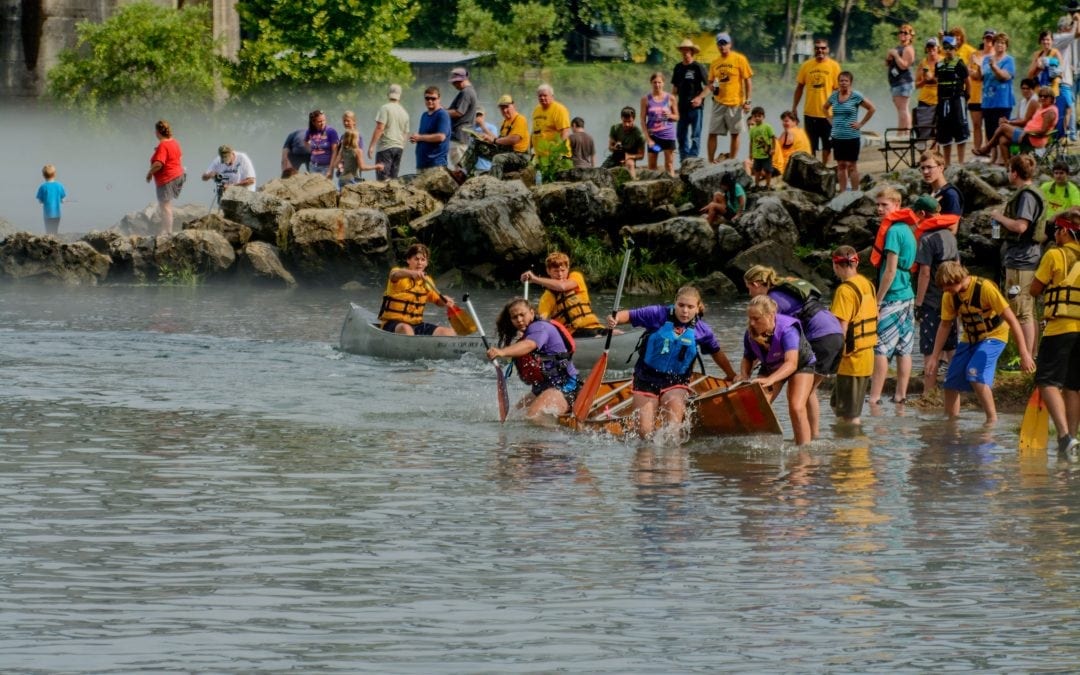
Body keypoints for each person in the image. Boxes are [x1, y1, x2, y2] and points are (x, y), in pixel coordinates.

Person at [607, 285, 738, 439]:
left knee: (672, 433)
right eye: (681, 305)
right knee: (644, 433)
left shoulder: (702, 330)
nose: (685, 311)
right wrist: (614, 319)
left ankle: (673, 460)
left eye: (690, 307)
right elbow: (629, 315)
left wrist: (732, 375)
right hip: (646, 377)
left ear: (698, 308)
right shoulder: (657, 314)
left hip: (676, 381)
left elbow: (717, 353)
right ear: (675, 303)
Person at [925, 261, 1035, 424]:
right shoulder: (949, 296)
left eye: (946, 287)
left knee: (974, 373)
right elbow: (945, 325)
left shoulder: (985, 288)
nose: (944, 291)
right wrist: (934, 356)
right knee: (950, 383)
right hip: (969, 339)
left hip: (994, 335)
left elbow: (1013, 321)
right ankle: (950, 424)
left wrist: (1024, 353)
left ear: (956, 279)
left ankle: (991, 420)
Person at [743, 265, 843, 441]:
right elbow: (761, 344)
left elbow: (782, 334)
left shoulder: (773, 302)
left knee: (798, 399)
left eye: (749, 288)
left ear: (757, 283)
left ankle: (807, 442)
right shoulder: (781, 290)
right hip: (834, 331)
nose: (750, 293)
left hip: (820, 337)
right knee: (806, 394)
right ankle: (813, 436)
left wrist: (770, 377)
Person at [1029, 210, 1080, 457]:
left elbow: (1034, 289)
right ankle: (1073, 439)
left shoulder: (1054, 254)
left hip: (1061, 328)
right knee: (1073, 385)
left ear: (1064, 231)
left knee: (1047, 381)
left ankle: (1063, 436)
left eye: (1056, 231)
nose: (1054, 236)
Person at [740, 294, 816, 445]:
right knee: (757, 405)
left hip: (800, 365)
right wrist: (743, 375)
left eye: (756, 318)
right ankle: (759, 445)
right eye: (750, 318)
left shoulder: (787, 331)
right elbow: (748, 358)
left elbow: (791, 363)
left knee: (796, 406)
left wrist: (770, 380)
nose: (752, 323)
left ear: (770, 315)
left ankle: (804, 450)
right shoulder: (750, 333)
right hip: (771, 365)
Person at [990, 154, 1047, 356]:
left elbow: (1021, 226)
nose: (1008, 174)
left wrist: (998, 217)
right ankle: (1030, 355)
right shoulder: (1026, 193)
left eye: (1008, 170)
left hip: (1024, 260)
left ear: (1015, 173)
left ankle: (1026, 358)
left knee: (1022, 310)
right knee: (1025, 309)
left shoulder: (1027, 196)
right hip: (1019, 257)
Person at [486, 298, 580, 419]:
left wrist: (502, 352)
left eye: (522, 315)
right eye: (515, 317)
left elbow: (530, 344)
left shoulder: (540, 327)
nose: (519, 320)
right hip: (542, 388)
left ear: (531, 312)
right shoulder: (527, 334)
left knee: (532, 417)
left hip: (566, 388)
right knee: (513, 416)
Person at [868, 187, 917, 405]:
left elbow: (889, 270)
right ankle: (900, 396)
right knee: (904, 348)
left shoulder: (894, 231)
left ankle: (875, 397)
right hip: (908, 295)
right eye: (877, 204)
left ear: (897, 205)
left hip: (894, 295)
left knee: (880, 347)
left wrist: (877, 301)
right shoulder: (907, 228)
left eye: (884, 205)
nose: (879, 209)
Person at [911, 194, 960, 394]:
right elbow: (958, 266)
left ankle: (928, 393)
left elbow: (924, 272)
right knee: (951, 346)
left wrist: (918, 303)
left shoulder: (926, 238)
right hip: (950, 298)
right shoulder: (950, 235)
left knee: (930, 348)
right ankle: (956, 388)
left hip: (932, 300)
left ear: (922, 214)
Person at [829, 246, 879, 425]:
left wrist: (832, 357)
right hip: (866, 354)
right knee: (837, 405)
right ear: (856, 262)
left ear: (835, 266)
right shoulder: (868, 284)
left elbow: (840, 327)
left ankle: (854, 449)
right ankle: (844, 446)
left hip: (851, 359)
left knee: (850, 416)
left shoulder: (845, 291)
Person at [377, 243, 457, 336]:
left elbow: (437, 301)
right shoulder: (398, 274)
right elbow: (393, 275)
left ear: (426, 263)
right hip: (392, 324)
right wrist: (411, 273)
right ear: (408, 260)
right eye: (416, 259)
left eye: (423, 260)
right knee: (406, 329)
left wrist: (445, 301)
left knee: (449, 333)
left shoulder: (427, 281)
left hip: (416, 325)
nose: (419, 263)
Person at [522, 252, 605, 337]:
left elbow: (563, 287)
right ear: (548, 271)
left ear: (568, 268)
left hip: (597, 326)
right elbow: (542, 319)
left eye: (563, 270)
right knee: (595, 335)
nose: (560, 274)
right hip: (573, 333)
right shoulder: (547, 297)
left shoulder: (576, 276)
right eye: (556, 271)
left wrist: (535, 279)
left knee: (614, 332)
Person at [823, 71, 875, 193]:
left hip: (852, 136)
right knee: (841, 165)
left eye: (846, 80)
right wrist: (830, 120)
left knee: (852, 165)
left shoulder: (856, 96)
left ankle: (856, 192)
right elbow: (824, 108)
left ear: (850, 82)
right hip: (837, 136)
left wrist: (861, 124)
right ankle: (842, 192)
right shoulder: (834, 96)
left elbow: (871, 108)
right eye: (841, 80)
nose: (843, 83)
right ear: (838, 82)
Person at [975, 86, 1058, 162]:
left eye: (1046, 96)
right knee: (1002, 139)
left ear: (1051, 98)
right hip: (1028, 134)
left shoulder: (1049, 112)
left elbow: (1042, 131)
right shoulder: (1043, 108)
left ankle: (987, 148)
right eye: (1040, 96)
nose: (1042, 98)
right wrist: (1012, 124)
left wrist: (1026, 132)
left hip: (1033, 138)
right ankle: (1009, 166)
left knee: (1003, 127)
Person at [706, 32, 753, 163]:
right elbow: (710, 81)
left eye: (724, 43)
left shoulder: (739, 59)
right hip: (719, 102)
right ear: (717, 46)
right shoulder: (715, 63)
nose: (722, 46)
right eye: (720, 44)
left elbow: (748, 81)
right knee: (712, 132)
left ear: (730, 44)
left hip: (735, 103)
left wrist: (748, 101)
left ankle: (732, 161)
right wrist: (713, 88)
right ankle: (710, 161)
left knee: (735, 133)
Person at [793, 37, 840, 164]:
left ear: (827, 49)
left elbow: (838, 90)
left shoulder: (834, 66)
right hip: (810, 113)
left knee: (827, 146)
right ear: (814, 50)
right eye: (817, 48)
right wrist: (794, 108)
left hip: (828, 114)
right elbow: (799, 87)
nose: (820, 50)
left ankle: (825, 171)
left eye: (823, 48)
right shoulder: (806, 66)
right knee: (810, 147)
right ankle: (813, 172)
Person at [981, 32, 1016, 166]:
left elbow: (1005, 76)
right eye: (997, 42)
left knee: (1002, 128)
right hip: (987, 100)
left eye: (1002, 43)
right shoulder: (986, 59)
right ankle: (993, 157)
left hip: (1003, 100)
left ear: (1006, 46)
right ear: (993, 44)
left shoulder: (1009, 60)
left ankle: (1003, 157)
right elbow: (981, 77)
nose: (999, 45)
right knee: (990, 130)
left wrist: (994, 67)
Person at [671, 38, 709, 161]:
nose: (685, 52)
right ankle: (684, 159)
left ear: (692, 51)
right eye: (683, 50)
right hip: (681, 107)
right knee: (681, 135)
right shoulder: (678, 68)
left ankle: (693, 159)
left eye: (687, 50)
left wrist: (699, 98)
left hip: (695, 107)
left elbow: (710, 85)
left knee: (695, 135)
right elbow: (675, 88)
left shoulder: (698, 67)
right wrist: (670, 103)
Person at [145, 119, 184, 235]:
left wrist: (149, 173)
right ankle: (164, 229)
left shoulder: (163, 145)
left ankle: (168, 232)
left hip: (167, 179)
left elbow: (158, 164)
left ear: (157, 132)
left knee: (165, 207)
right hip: (178, 175)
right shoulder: (174, 142)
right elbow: (179, 157)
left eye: (155, 131)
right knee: (166, 204)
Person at [935, 35, 970, 166]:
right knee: (944, 132)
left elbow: (968, 82)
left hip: (957, 100)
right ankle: (947, 163)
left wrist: (966, 96)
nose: (948, 50)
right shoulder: (939, 65)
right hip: (943, 101)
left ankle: (961, 163)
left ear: (955, 48)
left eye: (951, 48)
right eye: (945, 48)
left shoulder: (960, 64)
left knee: (960, 129)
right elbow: (937, 80)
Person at [484, 95, 531, 178]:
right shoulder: (505, 122)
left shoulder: (520, 119)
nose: (505, 111)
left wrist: (495, 140)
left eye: (507, 107)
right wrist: (487, 139)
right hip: (507, 153)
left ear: (513, 106)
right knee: (481, 147)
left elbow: (514, 139)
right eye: (502, 108)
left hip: (520, 156)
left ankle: (494, 184)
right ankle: (462, 172)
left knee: (498, 158)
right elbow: (501, 140)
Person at [369, 84, 410, 180]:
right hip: (399, 148)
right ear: (400, 96)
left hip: (385, 148)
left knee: (382, 180)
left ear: (388, 94)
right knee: (393, 180)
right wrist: (402, 148)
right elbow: (405, 134)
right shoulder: (405, 113)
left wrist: (371, 146)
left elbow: (380, 128)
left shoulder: (385, 108)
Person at [642, 72, 679, 176]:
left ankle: (673, 187)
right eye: (655, 82)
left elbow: (677, 117)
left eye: (659, 82)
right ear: (651, 83)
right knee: (652, 167)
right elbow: (642, 120)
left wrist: (670, 116)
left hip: (668, 135)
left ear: (663, 83)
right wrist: (647, 138)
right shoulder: (646, 99)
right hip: (653, 136)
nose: (657, 85)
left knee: (670, 164)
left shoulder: (671, 98)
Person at [968, 29, 997, 156]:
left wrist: (979, 68)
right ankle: (978, 149)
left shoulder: (997, 55)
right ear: (983, 39)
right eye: (987, 38)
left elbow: (991, 76)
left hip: (991, 95)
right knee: (976, 124)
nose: (988, 41)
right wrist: (980, 71)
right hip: (975, 95)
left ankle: (988, 149)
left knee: (990, 125)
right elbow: (973, 75)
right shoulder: (975, 54)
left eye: (991, 38)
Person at [886, 24, 917, 135]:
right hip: (895, 82)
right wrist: (889, 56)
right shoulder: (898, 48)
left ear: (910, 36)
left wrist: (896, 55)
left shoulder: (908, 49)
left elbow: (904, 65)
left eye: (905, 33)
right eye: (901, 32)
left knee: (903, 108)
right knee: (900, 110)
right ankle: (901, 133)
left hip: (904, 82)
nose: (902, 34)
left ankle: (906, 133)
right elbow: (888, 63)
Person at [410, 86, 451, 170]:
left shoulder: (442, 115)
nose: (430, 101)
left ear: (439, 99)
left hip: (436, 165)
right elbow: (423, 137)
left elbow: (441, 137)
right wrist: (416, 138)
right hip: (422, 164)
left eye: (433, 98)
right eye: (427, 98)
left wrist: (420, 137)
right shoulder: (424, 115)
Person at [446, 67, 478, 171]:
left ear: (462, 80)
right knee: (459, 166)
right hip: (463, 136)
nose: (454, 85)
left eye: (456, 82)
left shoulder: (466, 92)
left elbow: (459, 112)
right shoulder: (469, 91)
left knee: (459, 168)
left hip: (460, 135)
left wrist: (441, 112)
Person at [602, 106, 646, 178]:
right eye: (624, 121)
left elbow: (641, 155)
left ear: (633, 119)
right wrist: (615, 147)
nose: (627, 124)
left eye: (629, 122)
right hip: (615, 156)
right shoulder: (615, 128)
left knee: (630, 164)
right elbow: (610, 147)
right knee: (601, 171)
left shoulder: (639, 135)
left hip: (629, 158)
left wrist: (628, 156)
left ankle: (633, 183)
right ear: (621, 118)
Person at [918, 149, 964, 216]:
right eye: (922, 168)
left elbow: (953, 225)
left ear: (941, 168)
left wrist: (932, 213)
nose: (925, 172)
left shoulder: (950, 195)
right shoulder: (928, 191)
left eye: (929, 167)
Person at [531, 83, 571, 158]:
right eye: (540, 96)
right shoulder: (537, 109)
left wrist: (557, 152)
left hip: (556, 157)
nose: (542, 98)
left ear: (552, 96)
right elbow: (535, 130)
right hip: (540, 156)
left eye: (545, 95)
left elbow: (565, 132)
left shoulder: (559, 109)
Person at [770, 110, 811, 177]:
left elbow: (777, 148)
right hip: (805, 164)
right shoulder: (802, 131)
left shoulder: (788, 132)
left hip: (788, 166)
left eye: (786, 121)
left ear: (794, 121)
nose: (784, 123)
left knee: (773, 140)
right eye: (783, 121)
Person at [914, 37, 940, 138]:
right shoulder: (923, 63)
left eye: (933, 47)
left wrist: (932, 78)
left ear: (938, 48)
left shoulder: (943, 61)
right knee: (923, 132)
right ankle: (925, 152)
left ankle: (936, 152)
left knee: (939, 131)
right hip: (924, 101)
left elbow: (946, 82)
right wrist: (925, 80)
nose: (931, 50)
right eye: (929, 47)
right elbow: (916, 85)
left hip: (940, 100)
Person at [746, 106, 775, 188]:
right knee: (756, 170)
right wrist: (750, 153)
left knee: (768, 170)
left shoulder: (767, 126)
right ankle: (757, 185)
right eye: (755, 116)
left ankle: (768, 185)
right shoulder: (752, 130)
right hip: (757, 155)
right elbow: (751, 142)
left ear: (763, 117)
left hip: (766, 153)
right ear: (753, 117)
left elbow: (773, 137)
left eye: (759, 116)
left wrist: (773, 149)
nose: (757, 118)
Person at [1029, 31, 1063, 100]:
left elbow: (1061, 72)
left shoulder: (1055, 53)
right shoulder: (1037, 54)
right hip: (1038, 90)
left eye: (1048, 39)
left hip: (1052, 90)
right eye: (1043, 39)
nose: (1045, 42)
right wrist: (1037, 65)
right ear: (1040, 41)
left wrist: (1048, 65)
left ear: (1052, 41)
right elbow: (1030, 74)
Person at [304, 110, 339, 177]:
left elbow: (335, 151)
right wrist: (311, 150)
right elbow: (305, 141)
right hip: (313, 166)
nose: (323, 123)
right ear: (313, 122)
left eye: (324, 120)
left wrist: (330, 169)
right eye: (319, 121)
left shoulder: (331, 131)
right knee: (313, 186)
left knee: (325, 187)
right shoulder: (310, 131)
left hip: (326, 167)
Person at [35, 164, 66, 235]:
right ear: (55, 174)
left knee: (48, 231)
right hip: (57, 214)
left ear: (43, 175)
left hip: (47, 215)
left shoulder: (42, 187)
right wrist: (61, 200)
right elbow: (63, 199)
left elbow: (40, 201)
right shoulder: (59, 186)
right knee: (55, 230)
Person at [471, 109, 500, 173]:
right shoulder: (470, 127)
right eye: (476, 115)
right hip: (471, 163)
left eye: (480, 115)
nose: (478, 117)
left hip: (485, 164)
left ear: (484, 115)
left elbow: (496, 141)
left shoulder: (491, 127)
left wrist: (482, 126)